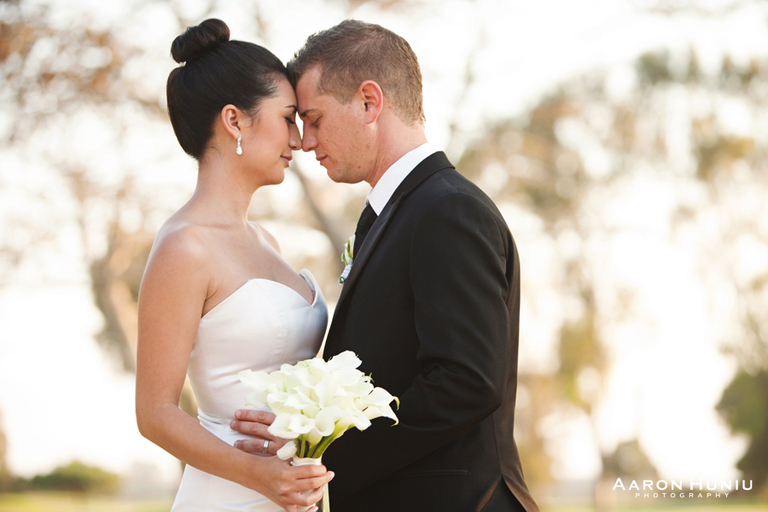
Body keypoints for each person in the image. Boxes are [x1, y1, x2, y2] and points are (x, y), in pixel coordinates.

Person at [231, 20, 539, 512]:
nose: (305, 141)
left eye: (314, 117)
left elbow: (466, 382)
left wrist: (323, 451)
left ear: (370, 102)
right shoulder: (393, 213)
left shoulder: (447, 210)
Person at [135, 19, 334, 512]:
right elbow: (155, 412)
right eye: (288, 117)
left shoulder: (265, 239)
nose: (300, 136)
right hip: (229, 497)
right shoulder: (185, 248)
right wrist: (260, 475)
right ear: (235, 120)